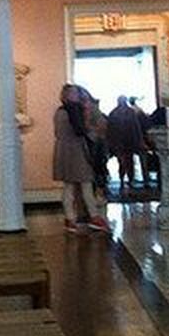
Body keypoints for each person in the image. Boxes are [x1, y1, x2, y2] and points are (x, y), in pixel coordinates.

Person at [53, 85, 107, 233]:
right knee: (86, 183)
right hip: (75, 150)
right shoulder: (73, 110)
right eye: (76, 93)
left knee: (69, 185)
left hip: (64, 150)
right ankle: (94, 217)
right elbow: (81, 130)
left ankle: (70, 218)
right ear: (69, 95)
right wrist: (90, 123)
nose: (78, 96)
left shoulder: (60, 111)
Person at [105, 95, 147, 194]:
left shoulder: (115, 113)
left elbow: (135, 128)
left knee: (126, 162)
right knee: (126, 162)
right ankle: (126, 180)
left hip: (125, 142)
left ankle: (126, 180)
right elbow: (136, 128)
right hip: (124, 141)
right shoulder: (127, 113)